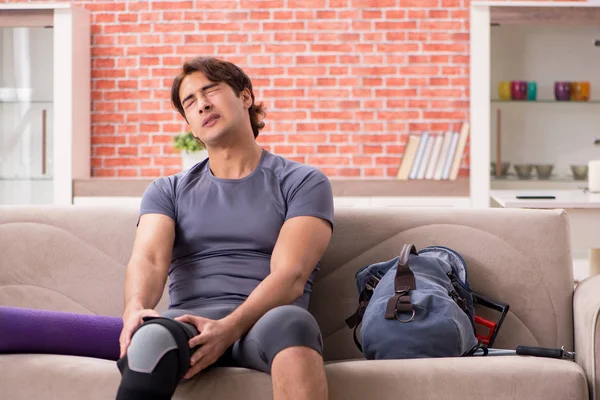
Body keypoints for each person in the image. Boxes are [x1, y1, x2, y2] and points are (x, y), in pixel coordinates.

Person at [115, 56, 334, 400]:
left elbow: (291, 275)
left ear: (245, 97)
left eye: (210, 91)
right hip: (188, 324)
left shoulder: (303, 181)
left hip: (266, 322)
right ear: (189, 122)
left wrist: (229, 329)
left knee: (295, 323)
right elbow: (149, 261)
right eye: (190, 102)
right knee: (149, 339)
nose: (202, 104)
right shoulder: (166, 190)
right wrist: (134, 309)